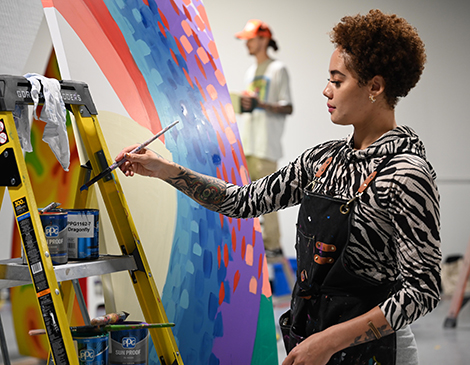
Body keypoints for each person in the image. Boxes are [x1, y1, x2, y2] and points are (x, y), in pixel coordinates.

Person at [116, 9, 441, 365]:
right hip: (313, 344)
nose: (325, 90)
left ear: (375, 87)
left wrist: (332, 340)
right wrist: (166, 170)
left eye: (337, 80)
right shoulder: (324, 161)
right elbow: (240, 200)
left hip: (375, 353)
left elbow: (422, 291)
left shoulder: (406, 174)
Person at [235, 19, 293, 259]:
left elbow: (287, 106)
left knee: (269, 197)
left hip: (266, 144)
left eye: (250, 39)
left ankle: (273, 244)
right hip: (248, 142)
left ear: (263, 39)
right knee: (246, 197)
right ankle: (250, 242)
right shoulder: (251, 71)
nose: (246, 44)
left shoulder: (277, 69)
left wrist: (261, 104)